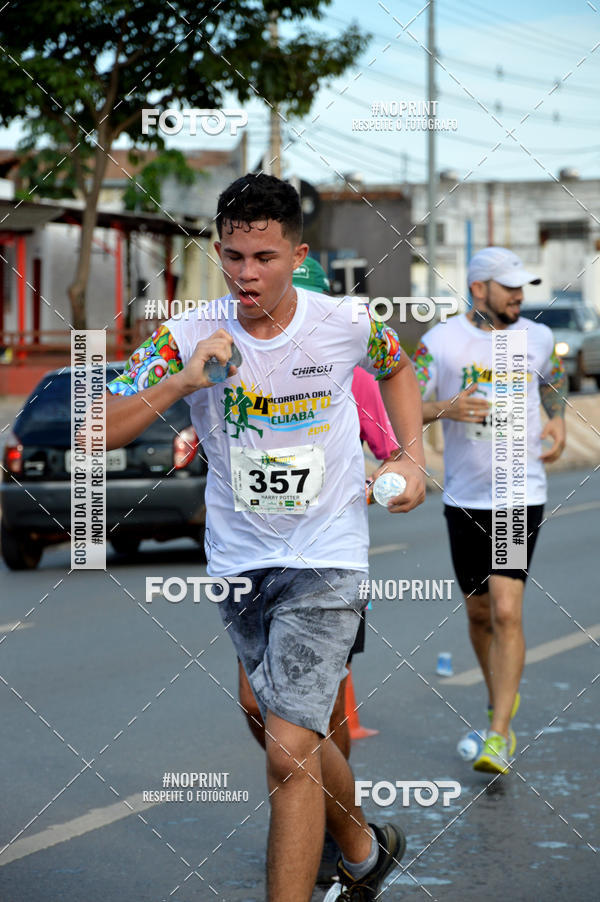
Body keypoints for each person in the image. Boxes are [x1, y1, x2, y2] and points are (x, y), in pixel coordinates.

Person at [104, 173, 425, 902]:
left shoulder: (345, 321)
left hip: (327, 557)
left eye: (264, 258)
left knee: (286, 751)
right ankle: (362, 848)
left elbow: (399, 366)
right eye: (233, 256)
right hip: (241, 560)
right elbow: (93, 431)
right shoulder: (187, 334)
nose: (246, 274)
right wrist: (182, 382)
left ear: (297, 255)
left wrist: (409, 456)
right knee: (269, 718)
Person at [236, 254, 399, 887]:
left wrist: (388, 476)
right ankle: (344, 824)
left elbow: (391, 447)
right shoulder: (240, 359)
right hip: (255, 562)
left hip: (327, 563)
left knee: (317, 717)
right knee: (258, 705)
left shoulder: (350, 370)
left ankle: (332, 831)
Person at [412, 246, 567, 774]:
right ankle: (499, 692)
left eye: (522, 287)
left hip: (518, 495)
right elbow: (404, 405)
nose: (519, 296)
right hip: (465, 497)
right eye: (509, 287)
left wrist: (557, 420)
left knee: (505, 609)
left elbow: (553, 378)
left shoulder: (537, 338)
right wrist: (446, 408)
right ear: (479, 289)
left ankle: (499, 733)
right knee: (479, 614)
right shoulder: (440, 343)